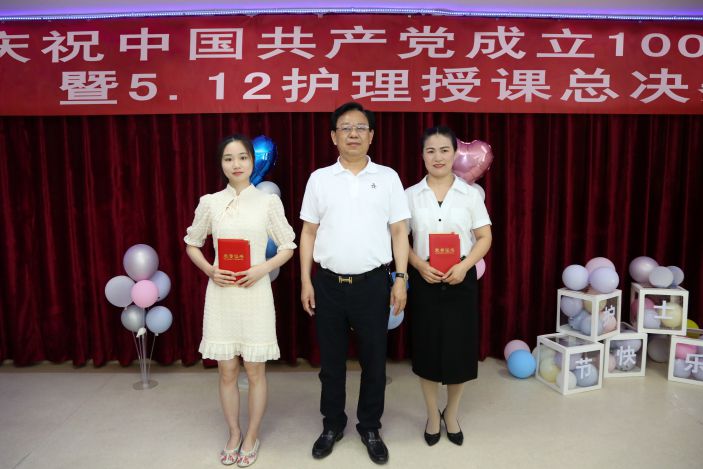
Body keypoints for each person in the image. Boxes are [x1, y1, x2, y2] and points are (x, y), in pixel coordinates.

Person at [299, 102, 410, 465]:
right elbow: (309, 232)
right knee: (331, 363)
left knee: (374, 362)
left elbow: (399, 231)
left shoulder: (388, 178)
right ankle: (332, 424)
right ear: (333, 136)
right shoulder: (319, 179)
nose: (353, 134)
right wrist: (305, 281)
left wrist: (401, 279)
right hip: (328, 284)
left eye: (360, 127)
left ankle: (370, 427)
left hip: (373, 284)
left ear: (371, 135)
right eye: (345, 128)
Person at [184, 134, 296, 467]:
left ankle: (252, 435)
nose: (236, 164)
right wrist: (210, 269)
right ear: (221, 164)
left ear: (251, 161)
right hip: (222, 294)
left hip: (255, 293)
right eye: (229, 158)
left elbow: (288, 246)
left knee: (255, 370)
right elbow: (192, 243)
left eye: (243, 157)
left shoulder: (268, 202)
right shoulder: (210, 202)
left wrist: (262, 268)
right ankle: (234, 432)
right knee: (227, 371)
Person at [405, 126, 492, 447]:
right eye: (431, 151)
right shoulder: (409, 195)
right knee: (427, 350)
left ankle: (451, 413)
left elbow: (484, 237)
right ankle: (432, 414)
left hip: (461, 279)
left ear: (455, 154)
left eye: (444, 150)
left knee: (459, 352)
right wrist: (418, 264)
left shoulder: (470, 195)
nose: (437, 157)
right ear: (422, 155)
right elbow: (399, 239)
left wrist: (465, 266)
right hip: (425, 279)